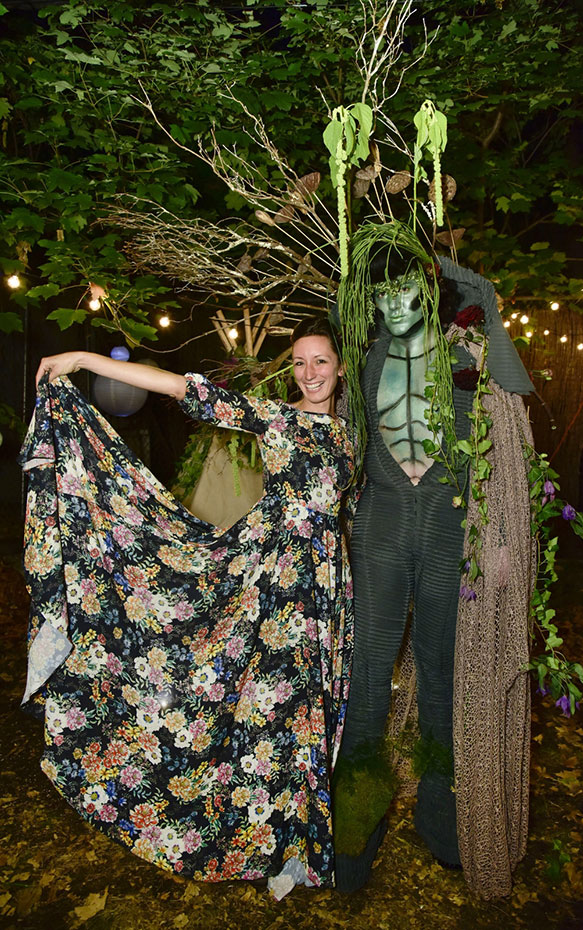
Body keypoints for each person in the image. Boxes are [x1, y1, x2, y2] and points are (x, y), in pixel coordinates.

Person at [21, 316, 354, 898]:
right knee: (259, 710)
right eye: (299, 362)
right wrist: (86, 361)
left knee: (305, 716)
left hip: (326, 589)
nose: (309, 373)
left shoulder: (352, 436)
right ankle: (241, 835)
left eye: (320, 361)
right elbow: (184, 388)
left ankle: (292, 847)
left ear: (341, 366)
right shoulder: (277, 420)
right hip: (271, 584)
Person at [335, 232, 535, 899]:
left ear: (426, 289)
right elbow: (342, 441)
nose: (394, 303)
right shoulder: (363, 360)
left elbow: (515, 392)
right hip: (383, 528)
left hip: (448, 529)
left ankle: (442, 823)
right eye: (383, 291)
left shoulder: (465, 352)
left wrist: (478, 291)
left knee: (442, 678)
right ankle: (354, 839)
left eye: (406, 288)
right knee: (368, 677)